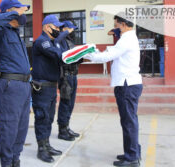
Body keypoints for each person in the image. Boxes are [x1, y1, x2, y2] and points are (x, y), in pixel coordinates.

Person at [84, 16, 142, 167]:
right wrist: (95, 52)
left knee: (129, 121)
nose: (114, 27)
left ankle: (132, 158)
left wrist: (86, 55)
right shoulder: (127, 38)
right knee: (129, 121)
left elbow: (108, 56)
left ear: (123, 24)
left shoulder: (126, 39)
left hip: (127, 85)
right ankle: (132, 152)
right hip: (127, 84)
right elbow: (112, 52)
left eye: (116, 24)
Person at [0, 0, 31, 166]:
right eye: (19, 10)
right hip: (9, 85)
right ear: (8, 11)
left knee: (21, 129)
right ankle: (6, 163)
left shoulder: (14, 32)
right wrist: (15, 12)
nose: (22, 15)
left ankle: (15, 161)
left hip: (24, 86)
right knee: (9, 129)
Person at [31, 14, 64, 163]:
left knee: (49, 118)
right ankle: (41, 149)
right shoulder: (42, 41)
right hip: (42, 87)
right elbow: (57, 55)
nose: (58, 29)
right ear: (47, 26)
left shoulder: (52, 42)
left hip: (51, 86)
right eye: (56, 27)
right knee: (42, 118)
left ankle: (47, 145)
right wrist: (71, 55)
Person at [56, 21, 81, 141]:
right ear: (64, 29)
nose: (73, 31)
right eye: (71, 29)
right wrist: (65, 32)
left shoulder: (70, 41)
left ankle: (67, 126)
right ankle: (62, 130)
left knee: (71, 103)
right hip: (65, 76)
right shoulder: (60, 40)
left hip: (73, 75)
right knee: (65, 103)